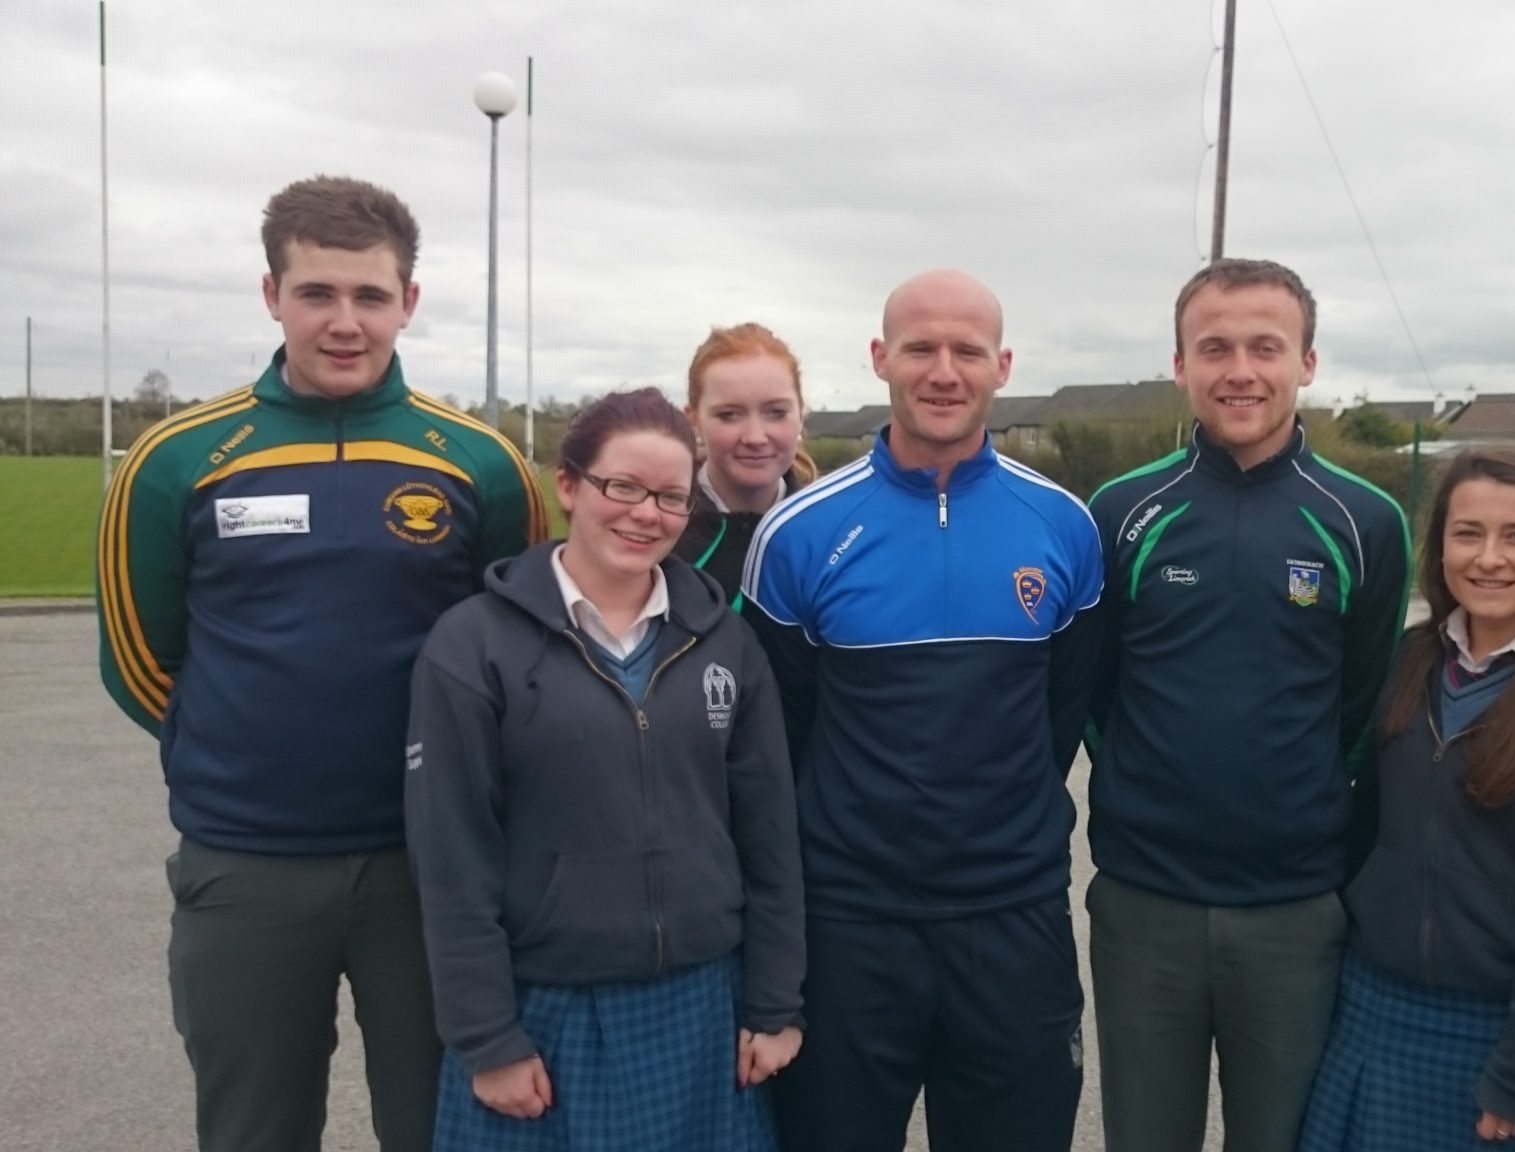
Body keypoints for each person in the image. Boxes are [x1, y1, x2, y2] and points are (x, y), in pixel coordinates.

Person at [95, 174, 546, 1152]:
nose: (345, 322)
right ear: (273, 295)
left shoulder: (481, 463)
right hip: (246, 866)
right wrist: (243, 752)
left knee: (446, 1131)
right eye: (317, 294)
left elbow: (516, 655)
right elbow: (138, 658)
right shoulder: (175, 459)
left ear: (408, 302)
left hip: (431, 866)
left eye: (370, 296)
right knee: (253, 1131)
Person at [742, 269, 1104, 1152]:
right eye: (921, 349)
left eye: (967, 351)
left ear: (1001, 366)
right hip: (849, 925)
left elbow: (1061, 716)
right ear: (880, 358)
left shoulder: (1063, 525)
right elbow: (779, 740)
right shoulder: (796, 534)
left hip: (1014, 916)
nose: (944, 371)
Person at [406, 388, 802, 1150]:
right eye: (622, 486)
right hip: (545, 1010)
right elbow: (452, 858)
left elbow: (770, 837)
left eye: (670, 497)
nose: (645, 514)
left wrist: (775, 1004)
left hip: (703, 1004)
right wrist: (485, 1036)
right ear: (568, 485)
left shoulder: (725, 642)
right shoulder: (472, 646)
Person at [1084, 258, 1411, 1152]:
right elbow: (1094, 695)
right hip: (1144, 900)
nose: (1240, 371)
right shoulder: (1121, 510)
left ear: (1306, 362)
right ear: (1179, 364)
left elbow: (1363, 704)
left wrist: (1300, 809)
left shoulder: (1365, 521)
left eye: (1266, 347)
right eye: (1214, 348)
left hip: (1294, 906)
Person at [1296, 445, 1515, 1152]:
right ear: (1441, 546)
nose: (1490, 558)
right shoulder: (1409, 659)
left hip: (1493, 1031)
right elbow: (1362, 827)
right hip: (1372, 1008)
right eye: (1468, 533)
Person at [676, 322, 819, 607]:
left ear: (800, 415)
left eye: (776, 413)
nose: (755, 437)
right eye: (729, 415)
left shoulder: (834, 529)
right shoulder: (658, 529)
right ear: (693, 420)